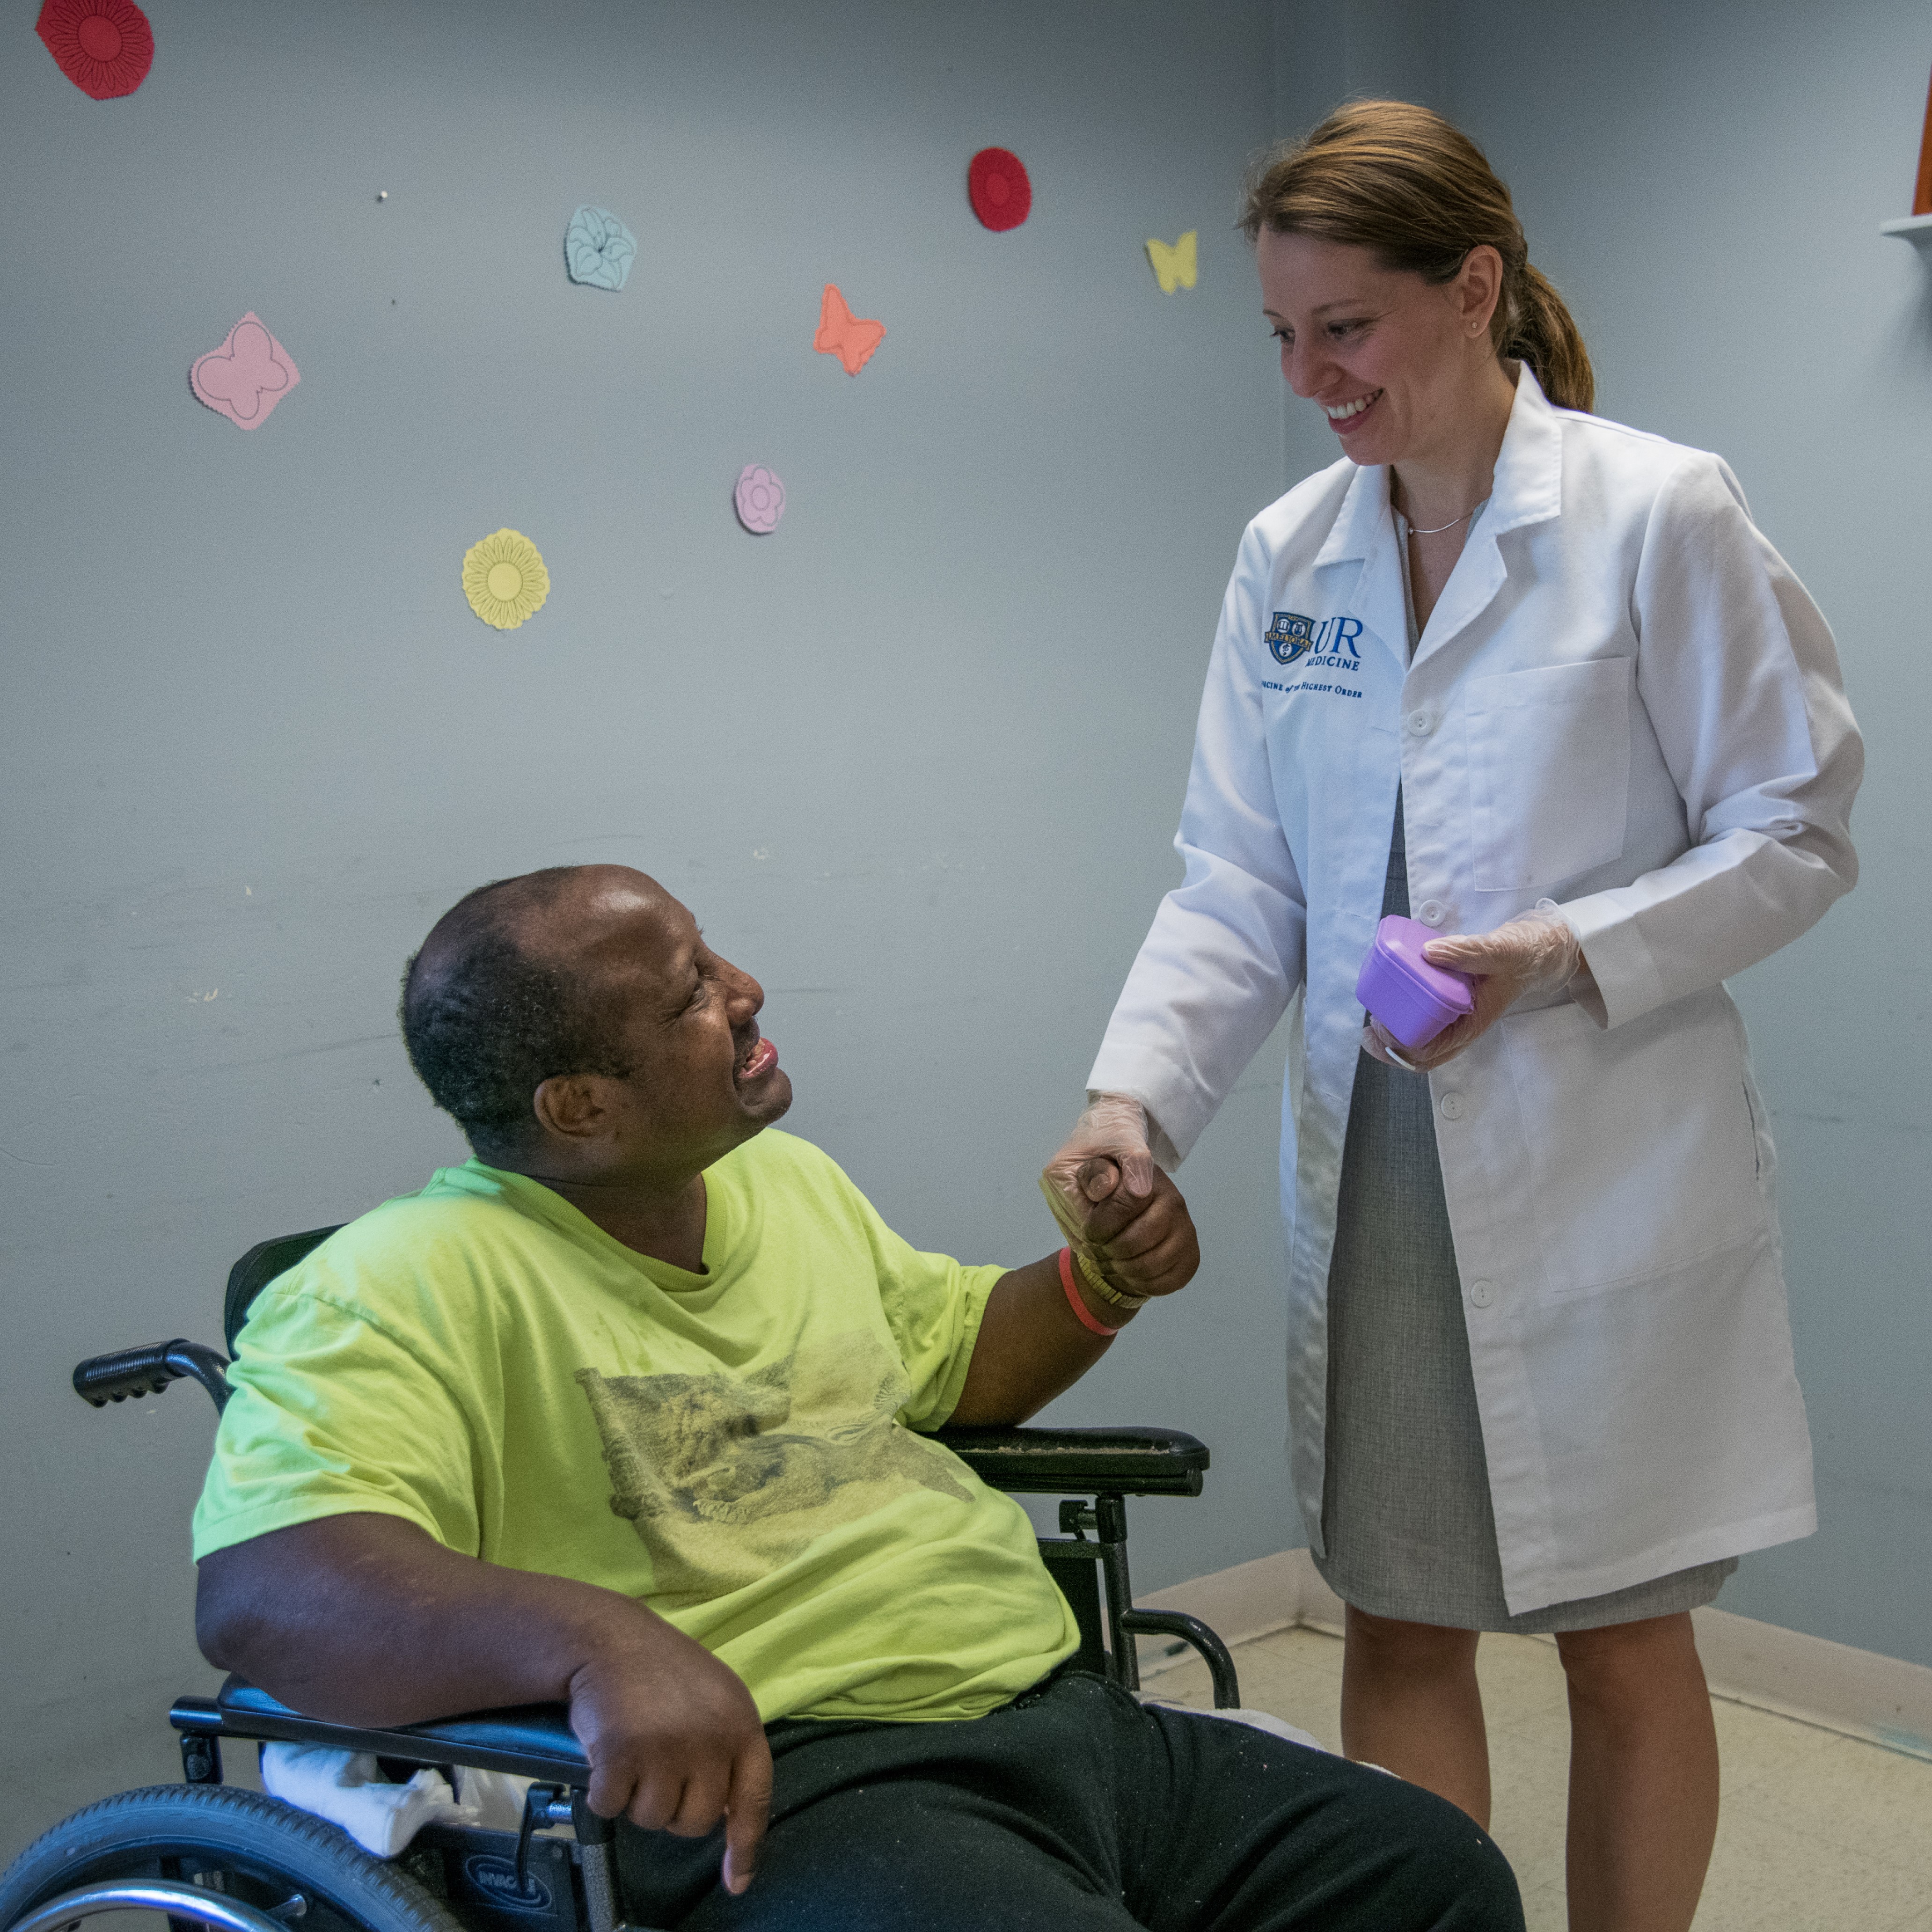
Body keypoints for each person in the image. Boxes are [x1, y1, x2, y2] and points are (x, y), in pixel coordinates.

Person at [1044, 101, 1861, 1932]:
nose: (1309, 374)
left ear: (1472, 286)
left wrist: (1558, 951)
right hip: (1383, 1173)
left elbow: (1799, 833)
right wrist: (1133, 1104)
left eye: (1345, 327)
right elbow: (1238, 882)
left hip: (1606, 1160)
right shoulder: (1290, 555)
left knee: (1622, 1635)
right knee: (1399, 1610)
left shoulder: (1659, 513)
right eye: (1280, 333)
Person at [192, 864, 1522, 1932]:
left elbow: (958, 1365)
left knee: (1434, 1879)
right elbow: (264, 1591)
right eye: (692, 992)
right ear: (581, 1104)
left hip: (1053, 1715)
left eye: (711, 951)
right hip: (803, 1786)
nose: (747, 988)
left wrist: (1098, 1280)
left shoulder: (786, 1185)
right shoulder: (400, 1284)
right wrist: (597, 1642)